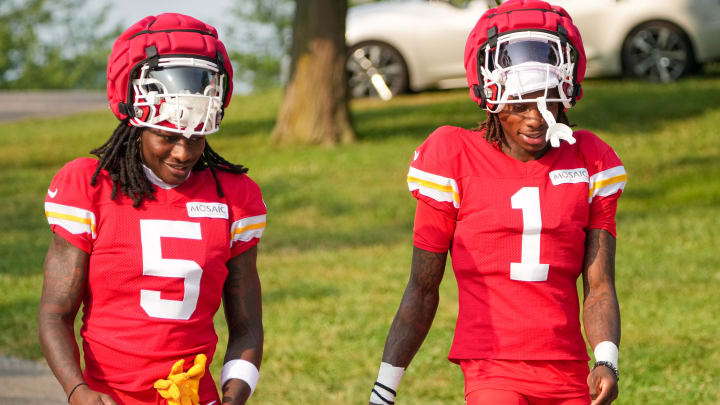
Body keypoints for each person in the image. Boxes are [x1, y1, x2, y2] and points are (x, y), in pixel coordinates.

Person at [368, 1, 625, 404]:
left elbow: (599, 286)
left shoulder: (588, 159)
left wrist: (606, 360)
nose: (536, 118)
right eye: (519, 104)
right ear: (491, 99)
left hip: (569, 369)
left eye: (547, 101)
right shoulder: (453, 157)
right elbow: (422, 288)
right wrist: (385, 388)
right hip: (492, 368)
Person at [38, 13, 265, 405]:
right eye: (167, 135)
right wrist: (78, 392)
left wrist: (234, 396)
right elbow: (55, 313)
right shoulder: (90, 186)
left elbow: (246, 328)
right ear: (135, 122)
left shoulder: (233, 196)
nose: (183, 152)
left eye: (196, 137)